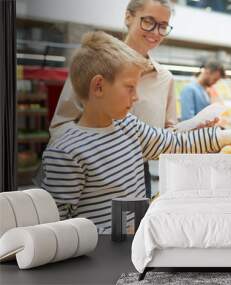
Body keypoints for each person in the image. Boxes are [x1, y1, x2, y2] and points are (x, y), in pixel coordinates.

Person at [41, 31, 231, 233]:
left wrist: (229, 136)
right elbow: (57, 229)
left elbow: (172, 143)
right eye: (130, 87)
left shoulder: (127, 125)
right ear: (98, 86)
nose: (136, 97)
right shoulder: (65, 153)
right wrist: (117, 232)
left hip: (137, 247)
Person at [48, 0, 204, 198]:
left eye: (163, 26)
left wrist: (194, 131)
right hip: (91, 177)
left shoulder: (165, 78)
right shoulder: (96, 63)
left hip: (139, 174)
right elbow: (61, 125)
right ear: (128, 17)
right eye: (148, 22)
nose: (156, 32)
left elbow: (166, 134)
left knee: (132, 228)